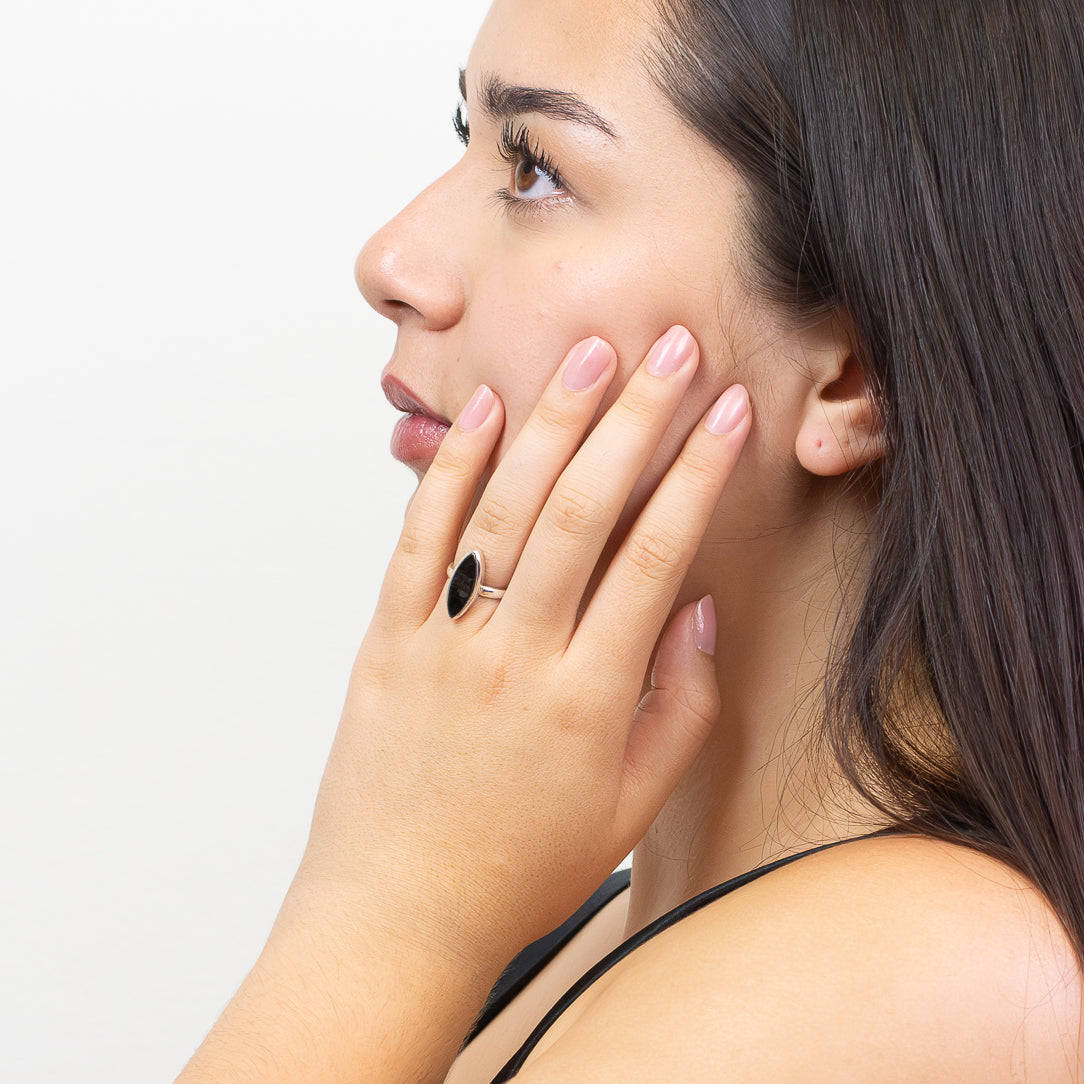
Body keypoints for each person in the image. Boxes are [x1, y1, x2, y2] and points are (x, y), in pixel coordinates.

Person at [177, 0, 1084, 1079]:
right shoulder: (641, 923)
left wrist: (386, 906)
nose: (391, 259)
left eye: (536, 168)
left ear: (849, 370)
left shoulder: (901, 976)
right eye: (465, 138)